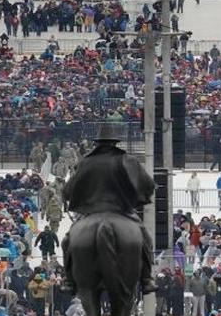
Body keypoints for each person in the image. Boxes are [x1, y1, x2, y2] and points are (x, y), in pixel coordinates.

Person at [60, 125, 157, 295]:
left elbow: (68, 191)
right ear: (114, 143)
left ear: (97, 143)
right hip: (121, 210)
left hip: (92, 212)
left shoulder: (85, 162)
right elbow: (148, 185)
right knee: (145, 238)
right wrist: (137, 198)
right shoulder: (127, 160)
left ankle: (68, 280)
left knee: (67, 241)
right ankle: (147, 278)